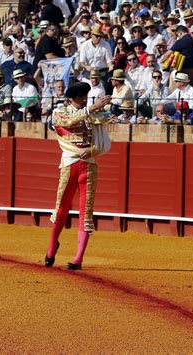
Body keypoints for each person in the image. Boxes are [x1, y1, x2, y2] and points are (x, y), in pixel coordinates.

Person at [45, 82, 112, 270]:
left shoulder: (90, 114)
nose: (84, 99)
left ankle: (78, 258)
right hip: (69, 165)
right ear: (70, 99)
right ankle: (52, 247)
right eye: (80, 97)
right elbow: (69, 122)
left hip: (89, 165)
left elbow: (106, 120)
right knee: (61, 208)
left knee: (86, 212)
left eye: (85, 96)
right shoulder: (59, 113)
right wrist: (93, 108)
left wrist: (92, 149)